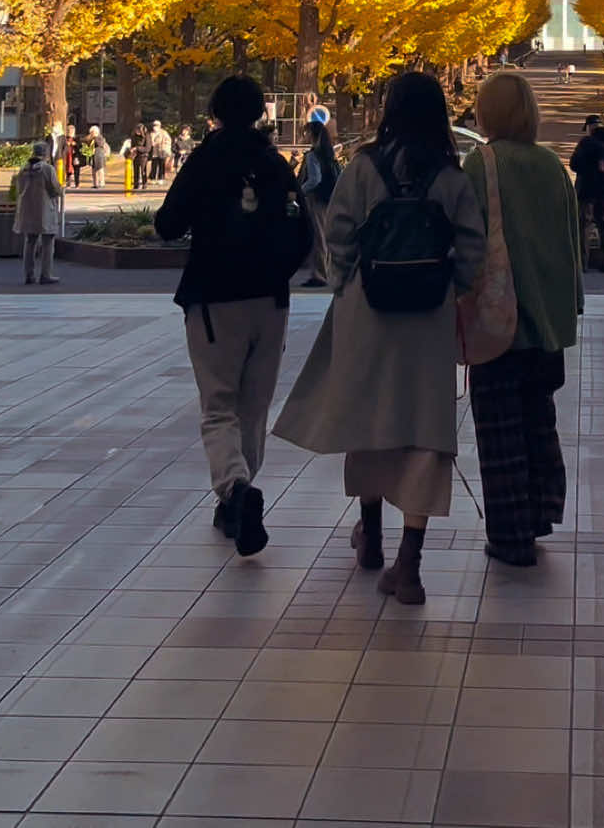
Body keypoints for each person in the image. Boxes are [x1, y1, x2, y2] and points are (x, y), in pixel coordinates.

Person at [273, 72, 485, 606]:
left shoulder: (365, 166)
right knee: (423, 431)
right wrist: (450, 287)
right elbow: (473, 250)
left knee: (369, 419)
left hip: (368, 312)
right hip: (429, 316)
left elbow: (337, 231)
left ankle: (370, 533)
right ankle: (408, 564)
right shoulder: (450, 175)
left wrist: (347, 283)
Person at [154, 75, 306, 557]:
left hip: (215, 297)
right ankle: (235, 500)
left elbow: (167, 223)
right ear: (262, 111)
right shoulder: (274, 163)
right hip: (270, 299)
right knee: (253, 409)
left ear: (216, 112)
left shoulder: (207, 159)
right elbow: (303, 230)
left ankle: (236, 490)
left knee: (219, 406)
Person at [463, 71, 582, 566]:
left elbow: (467, 242)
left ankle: (509, 535)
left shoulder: (480, 163)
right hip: (548, 322)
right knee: (539, 421)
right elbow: (573, 240)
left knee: (500, 432)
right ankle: (539, 514)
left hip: (500, 322)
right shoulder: (552, 165)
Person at [569, 116, 604, 273]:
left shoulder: (586, 143)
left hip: (587, 190)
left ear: (589, 128)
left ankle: (583, 262)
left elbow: (574, 164)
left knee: (585, 226)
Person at [14, 140, 63, 286]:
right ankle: (46, 274)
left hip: (27, 208)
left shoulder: (24, 169)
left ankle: (29, 274)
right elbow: (55, 189)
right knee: (48, 242)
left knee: (30, 241)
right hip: (45, 208)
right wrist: (60, 190)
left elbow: (19, 189)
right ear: (46, 154)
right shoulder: (47, 169)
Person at [298, 117, 340, 284]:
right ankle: (326, 271)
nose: (304, 136)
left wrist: (301, 191)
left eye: (306, 133)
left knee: (318, 237)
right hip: (328, 198)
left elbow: (315, 179)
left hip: (316, 199)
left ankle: (319, 275)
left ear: (312, 135)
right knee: (325, 235)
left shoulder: (312, 155)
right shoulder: (329, 155)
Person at [129, 121, 150, 192]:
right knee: (135, 170)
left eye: (138, 131)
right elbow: (132, 145)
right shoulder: (133, 136)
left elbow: (148, 148)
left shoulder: (146, 136)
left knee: (143, 170)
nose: (137, 132)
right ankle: (136, 184)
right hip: (136, 155)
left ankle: (144, 183)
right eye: (136, 131)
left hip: (143, 155)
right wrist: (132, 150)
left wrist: (137, 148)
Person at [64, 123, 83, 189]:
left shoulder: (77, 138)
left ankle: (77, 184)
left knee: (76, 170)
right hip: (68, 156)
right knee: (68, 170)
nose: (70, 132)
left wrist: (75, 144)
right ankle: (68, 183)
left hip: (75, 156)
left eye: (71, 130)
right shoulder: (65, 139)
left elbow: (80, 147)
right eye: (69, 130)